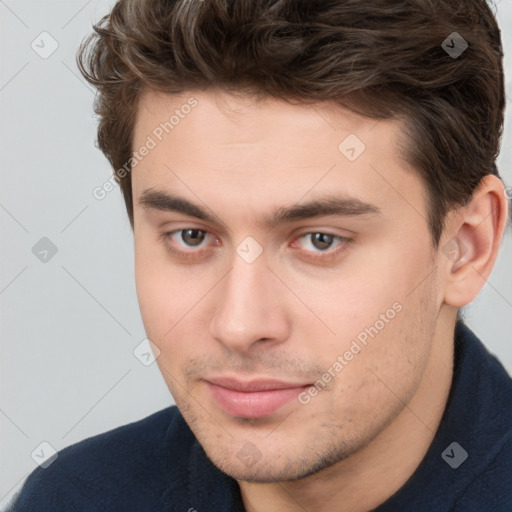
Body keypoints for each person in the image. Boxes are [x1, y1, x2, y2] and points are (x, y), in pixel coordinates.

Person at [8, 0, 512, 511]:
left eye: (320, 240)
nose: (239, 325)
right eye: (191, 236)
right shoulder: (71, 499)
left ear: (467, 247)